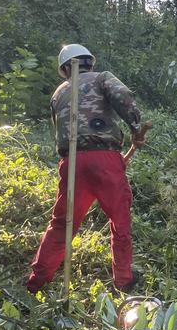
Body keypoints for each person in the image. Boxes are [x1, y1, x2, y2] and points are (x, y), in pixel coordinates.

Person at [27, 44, 146, 294]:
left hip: (71, 163)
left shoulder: (58, 94)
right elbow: (124, 98)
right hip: (105, 160)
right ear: (89, 63)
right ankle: (124, 280)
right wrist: (136, 127)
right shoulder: (102, 78)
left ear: (65, 69)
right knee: (120, 220)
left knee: (61, 223)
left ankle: (36, 283)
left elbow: (59, 129)